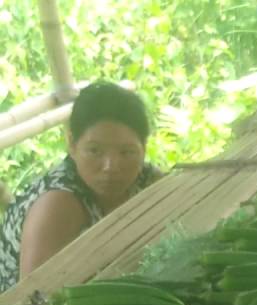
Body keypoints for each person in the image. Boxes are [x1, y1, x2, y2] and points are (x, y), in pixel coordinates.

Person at [0, 81, 163, 291]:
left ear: (144, 149)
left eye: (126, 152)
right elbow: (33, 300)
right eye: (95, 151)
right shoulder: (57, 203)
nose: (110, 167)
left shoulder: (147, 179)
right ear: (72, 144)